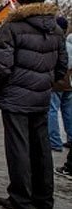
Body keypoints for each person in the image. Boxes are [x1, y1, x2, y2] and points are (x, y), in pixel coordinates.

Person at [0, 0, 67, 209]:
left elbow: (1, 68)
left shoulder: (11, 27)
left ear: (21, 3)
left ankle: (21, 199)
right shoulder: (56, 29)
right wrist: (45, 82)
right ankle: (44, 198)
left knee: (18, 149)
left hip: (15, 98)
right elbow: (62, 66)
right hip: (41, 96)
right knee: (41, 150)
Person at [48, 16, 72, 152]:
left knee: (52, 111)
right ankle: (70, 139)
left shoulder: (54, 43)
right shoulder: (69, 45)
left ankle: (54, 141)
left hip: (57, 82)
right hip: (68, 82)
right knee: (68, 112)